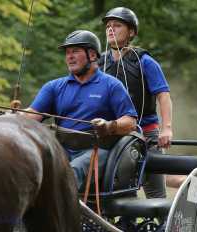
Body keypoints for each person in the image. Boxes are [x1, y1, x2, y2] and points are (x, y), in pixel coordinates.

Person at [24, 30, 138, 190]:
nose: (69, 57)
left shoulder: (111, 85)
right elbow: (30, 116)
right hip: (61, 149)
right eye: (67, 53)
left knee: (71, 172)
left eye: (75, 51)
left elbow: (130, 122)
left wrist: (108, 126)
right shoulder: (54, 87)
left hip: (98, 150)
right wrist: (5, 117)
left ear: (92, 55)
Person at [99, 7, 173, 199]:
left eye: (117, 25)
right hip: (110, 133)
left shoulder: (145, 61)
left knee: (155, 192)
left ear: (131, 32)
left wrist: (167, 129)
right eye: (108, 26)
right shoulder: (99, 63)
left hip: (146, 134)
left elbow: (163, 96)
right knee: (111, 191)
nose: (110, 29)